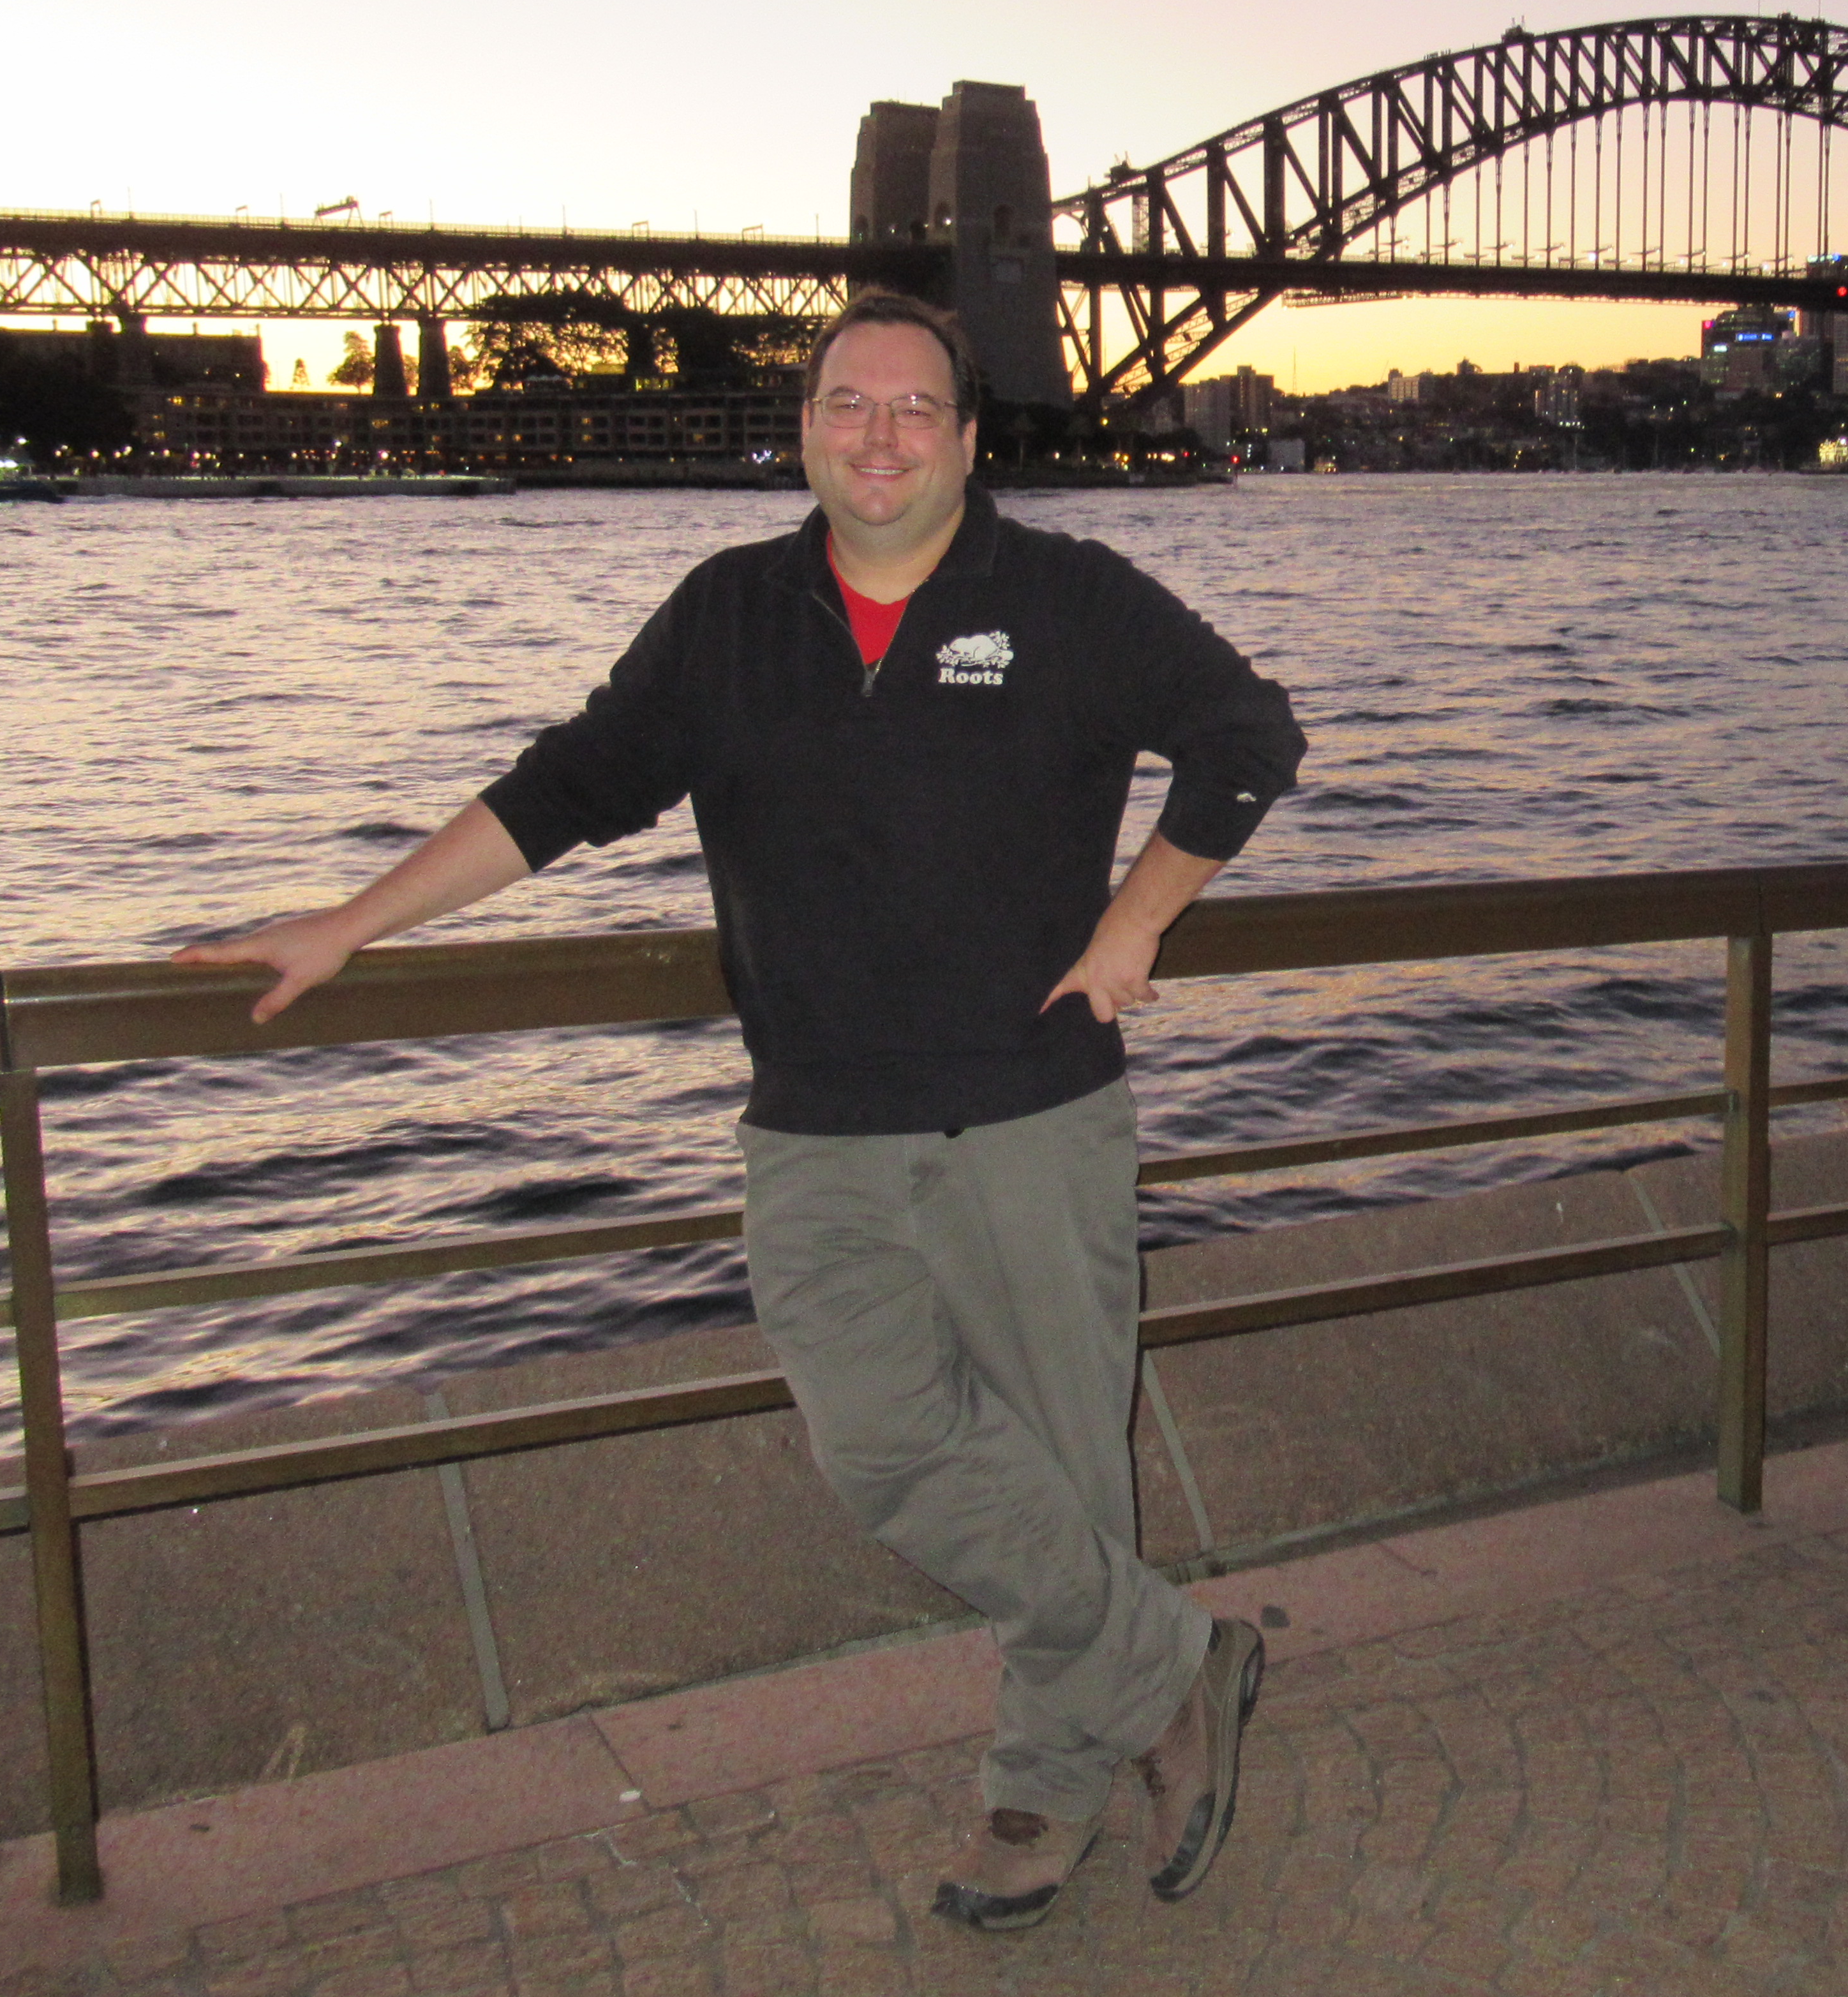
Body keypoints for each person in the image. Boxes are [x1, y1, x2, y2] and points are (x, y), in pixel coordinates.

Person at [177, 293, 1305, 1931]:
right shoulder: (729, 615)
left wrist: (1137, 924)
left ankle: (1046, 1785)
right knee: (885, 1447)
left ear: (968, 438)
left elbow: (1248, 738)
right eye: (848, 404)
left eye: (914, 409)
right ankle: (1176, 1666)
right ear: (806, 429)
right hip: (814, 1127)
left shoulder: (1065, 595)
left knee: (1064, 1474)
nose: (879, 437)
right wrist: (355, 921)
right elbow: (566, 789)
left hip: (1027, 1114)